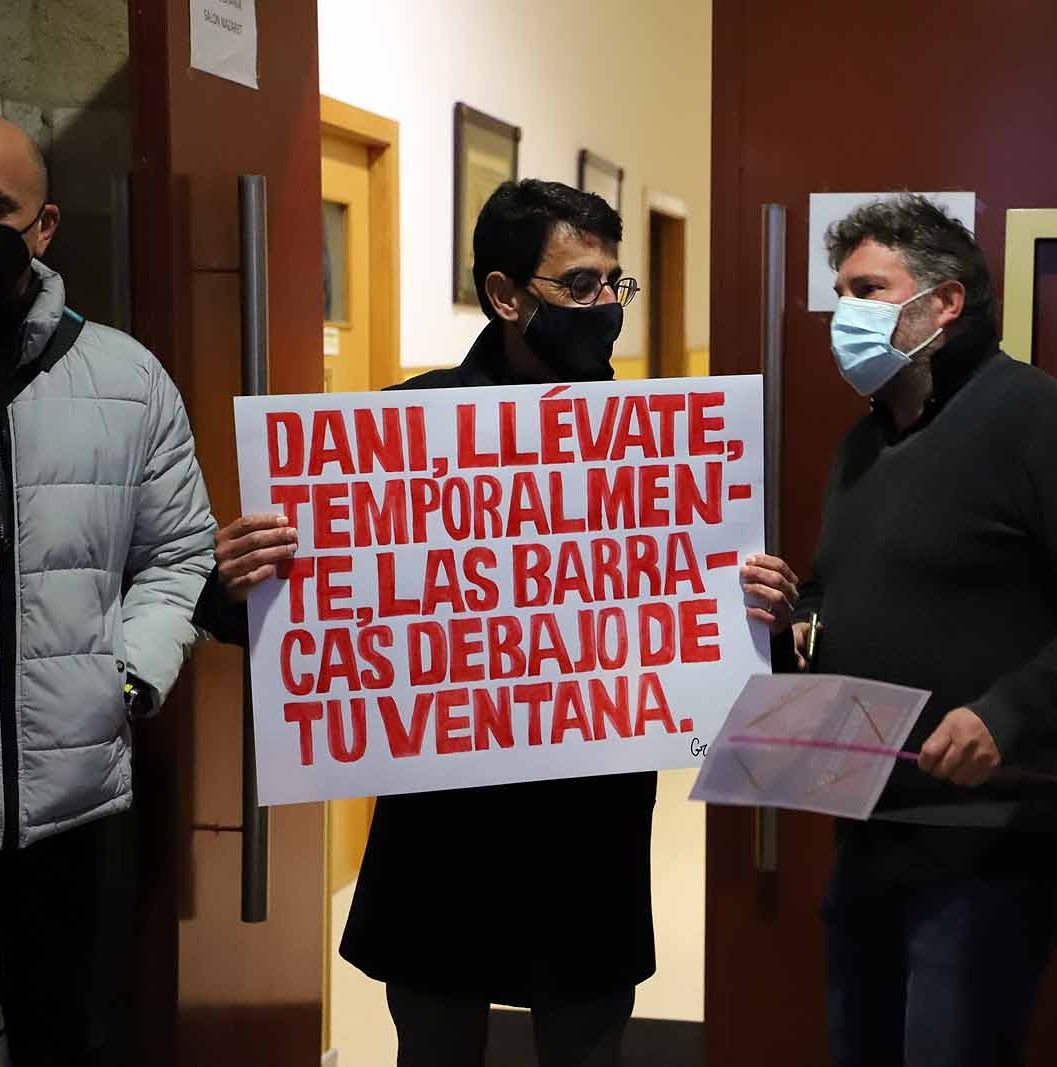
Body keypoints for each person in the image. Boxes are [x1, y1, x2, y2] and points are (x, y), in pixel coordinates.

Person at [197, 178, 799, 1067]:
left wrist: (766, 614)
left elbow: (722, 643)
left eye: (614, 284)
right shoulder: (404, 430)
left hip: (586, 842)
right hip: (445, 844)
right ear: (506, 294)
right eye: (579, 285)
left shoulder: (662, 442)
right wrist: (236, 579)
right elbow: (299, 625)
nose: (605, 306)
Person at [790, 194, 1057, 1067]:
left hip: (991, 836)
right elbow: (837, 585)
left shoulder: (1043, 421)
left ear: (944, 303)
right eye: (839, 292)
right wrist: (800, 616)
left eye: (867, 289)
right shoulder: (864, 443)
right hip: (869, 818)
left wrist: (1003, 713)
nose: (843, 314)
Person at [0, 112, 216, 1064]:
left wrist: (128, 677)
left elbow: (179, 553)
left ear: (45, 225)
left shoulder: (127, 378)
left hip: (66, 774)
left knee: (59, 1025)